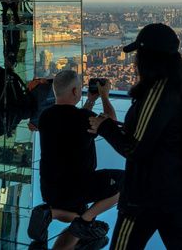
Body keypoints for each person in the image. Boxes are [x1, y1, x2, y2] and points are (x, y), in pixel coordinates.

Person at [92, 23, 182, 250]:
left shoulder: (157, 93)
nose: (136, 60)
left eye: (138, 54)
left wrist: (104, 127)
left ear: (148, 58)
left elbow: (134, 149)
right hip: (176, 193)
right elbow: (162, 136)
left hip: (144, 196)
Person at [29, 70, 124, 248]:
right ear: (74, 92)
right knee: (126, 181)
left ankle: (51, 213)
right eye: (80, 88)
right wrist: (104, 96)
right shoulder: (83, 119)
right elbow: (111, 124)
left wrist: (90, 101)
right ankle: (85, 222)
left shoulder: (46, 117)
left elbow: (72, 118)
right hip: (75, 188)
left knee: (76, 209)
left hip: (50, 190)